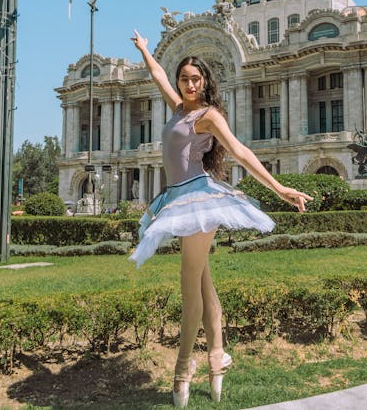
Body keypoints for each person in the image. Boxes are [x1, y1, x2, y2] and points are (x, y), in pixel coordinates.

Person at [129, 30, 313, 408]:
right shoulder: (179, 108)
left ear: (206, 82)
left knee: (188, 283)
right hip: (179, 197)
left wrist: (280, 189)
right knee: (203, 281)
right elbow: (159, 78)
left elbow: (242, 152)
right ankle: (217, 355)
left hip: (198, 198)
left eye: (196, 79)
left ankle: (183, 368)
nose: (189, 84)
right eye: (184, 78)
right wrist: (147, 51)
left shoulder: (208, 116)